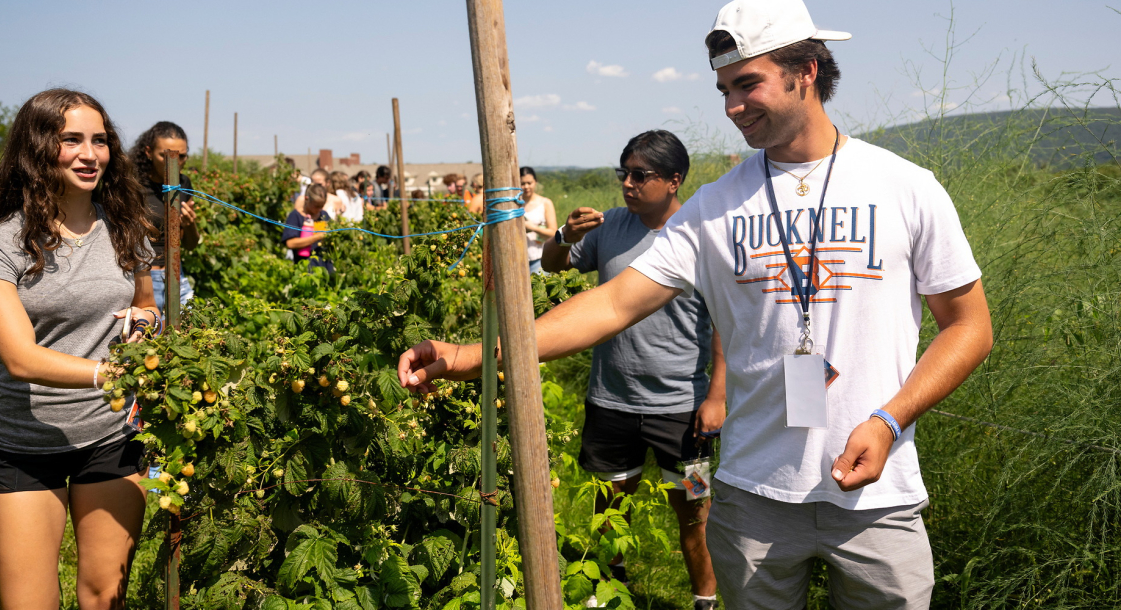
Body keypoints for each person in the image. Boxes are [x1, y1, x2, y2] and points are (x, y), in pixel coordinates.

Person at [398, 0, 994, 607]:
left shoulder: (905, 188)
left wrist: (890, 421)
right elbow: (610, 306)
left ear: (807, 70)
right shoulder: (716, 207)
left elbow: (969, 327)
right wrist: (471, 355)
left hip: (878, 500)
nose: (733, 107)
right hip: (753, 501)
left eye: (747, 84)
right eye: (723, 90)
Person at [0, 88, 158, 610]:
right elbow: (20, 358)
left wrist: (146, 325)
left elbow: (148, 304)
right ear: (38, 147)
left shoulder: (126, 227)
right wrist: (112, 375)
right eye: (72, 140)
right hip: (24, 445)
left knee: (104, 596)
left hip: (112, 435)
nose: (91, 154)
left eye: (100, 141)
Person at [540, 130, 722, 609]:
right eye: (623, 173)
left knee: (695, 513)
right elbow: (553, 265)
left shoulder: (700, 237)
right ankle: (607, 589)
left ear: (674, 180)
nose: (627, 184)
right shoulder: (609, 227)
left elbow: (725, 323)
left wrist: (716, 396)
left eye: (640, 175)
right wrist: (564, 236)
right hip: (611, 401)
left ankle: (705, 599)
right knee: (608, 509)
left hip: (681, 411)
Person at [130, 121, 199, 311]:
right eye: (165, 155)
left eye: (181, 156)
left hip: (176, 274)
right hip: (142, 279)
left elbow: (190, 244)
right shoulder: (132, 185)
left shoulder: (183, 183)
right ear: (148, 152)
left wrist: (190, 224)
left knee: (190, 336)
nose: (174, 162)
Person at [282, 183, 334, 273]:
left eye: (321, 206)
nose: (319, 209)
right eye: (316, 206)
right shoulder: (295, 216)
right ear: (307, 199)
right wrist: (317, 237)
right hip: (306, 267)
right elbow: (290, 243)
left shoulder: (324, 215)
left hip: (326, 267)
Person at [519, 166, 558, 274]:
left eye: (529, 183)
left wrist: (533, 228)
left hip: (539, 258)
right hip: (519, 259)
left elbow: (553, 233)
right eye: (522, 183)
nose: (526, 186)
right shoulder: (515, 204)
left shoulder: (545, 203)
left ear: (535, 182)